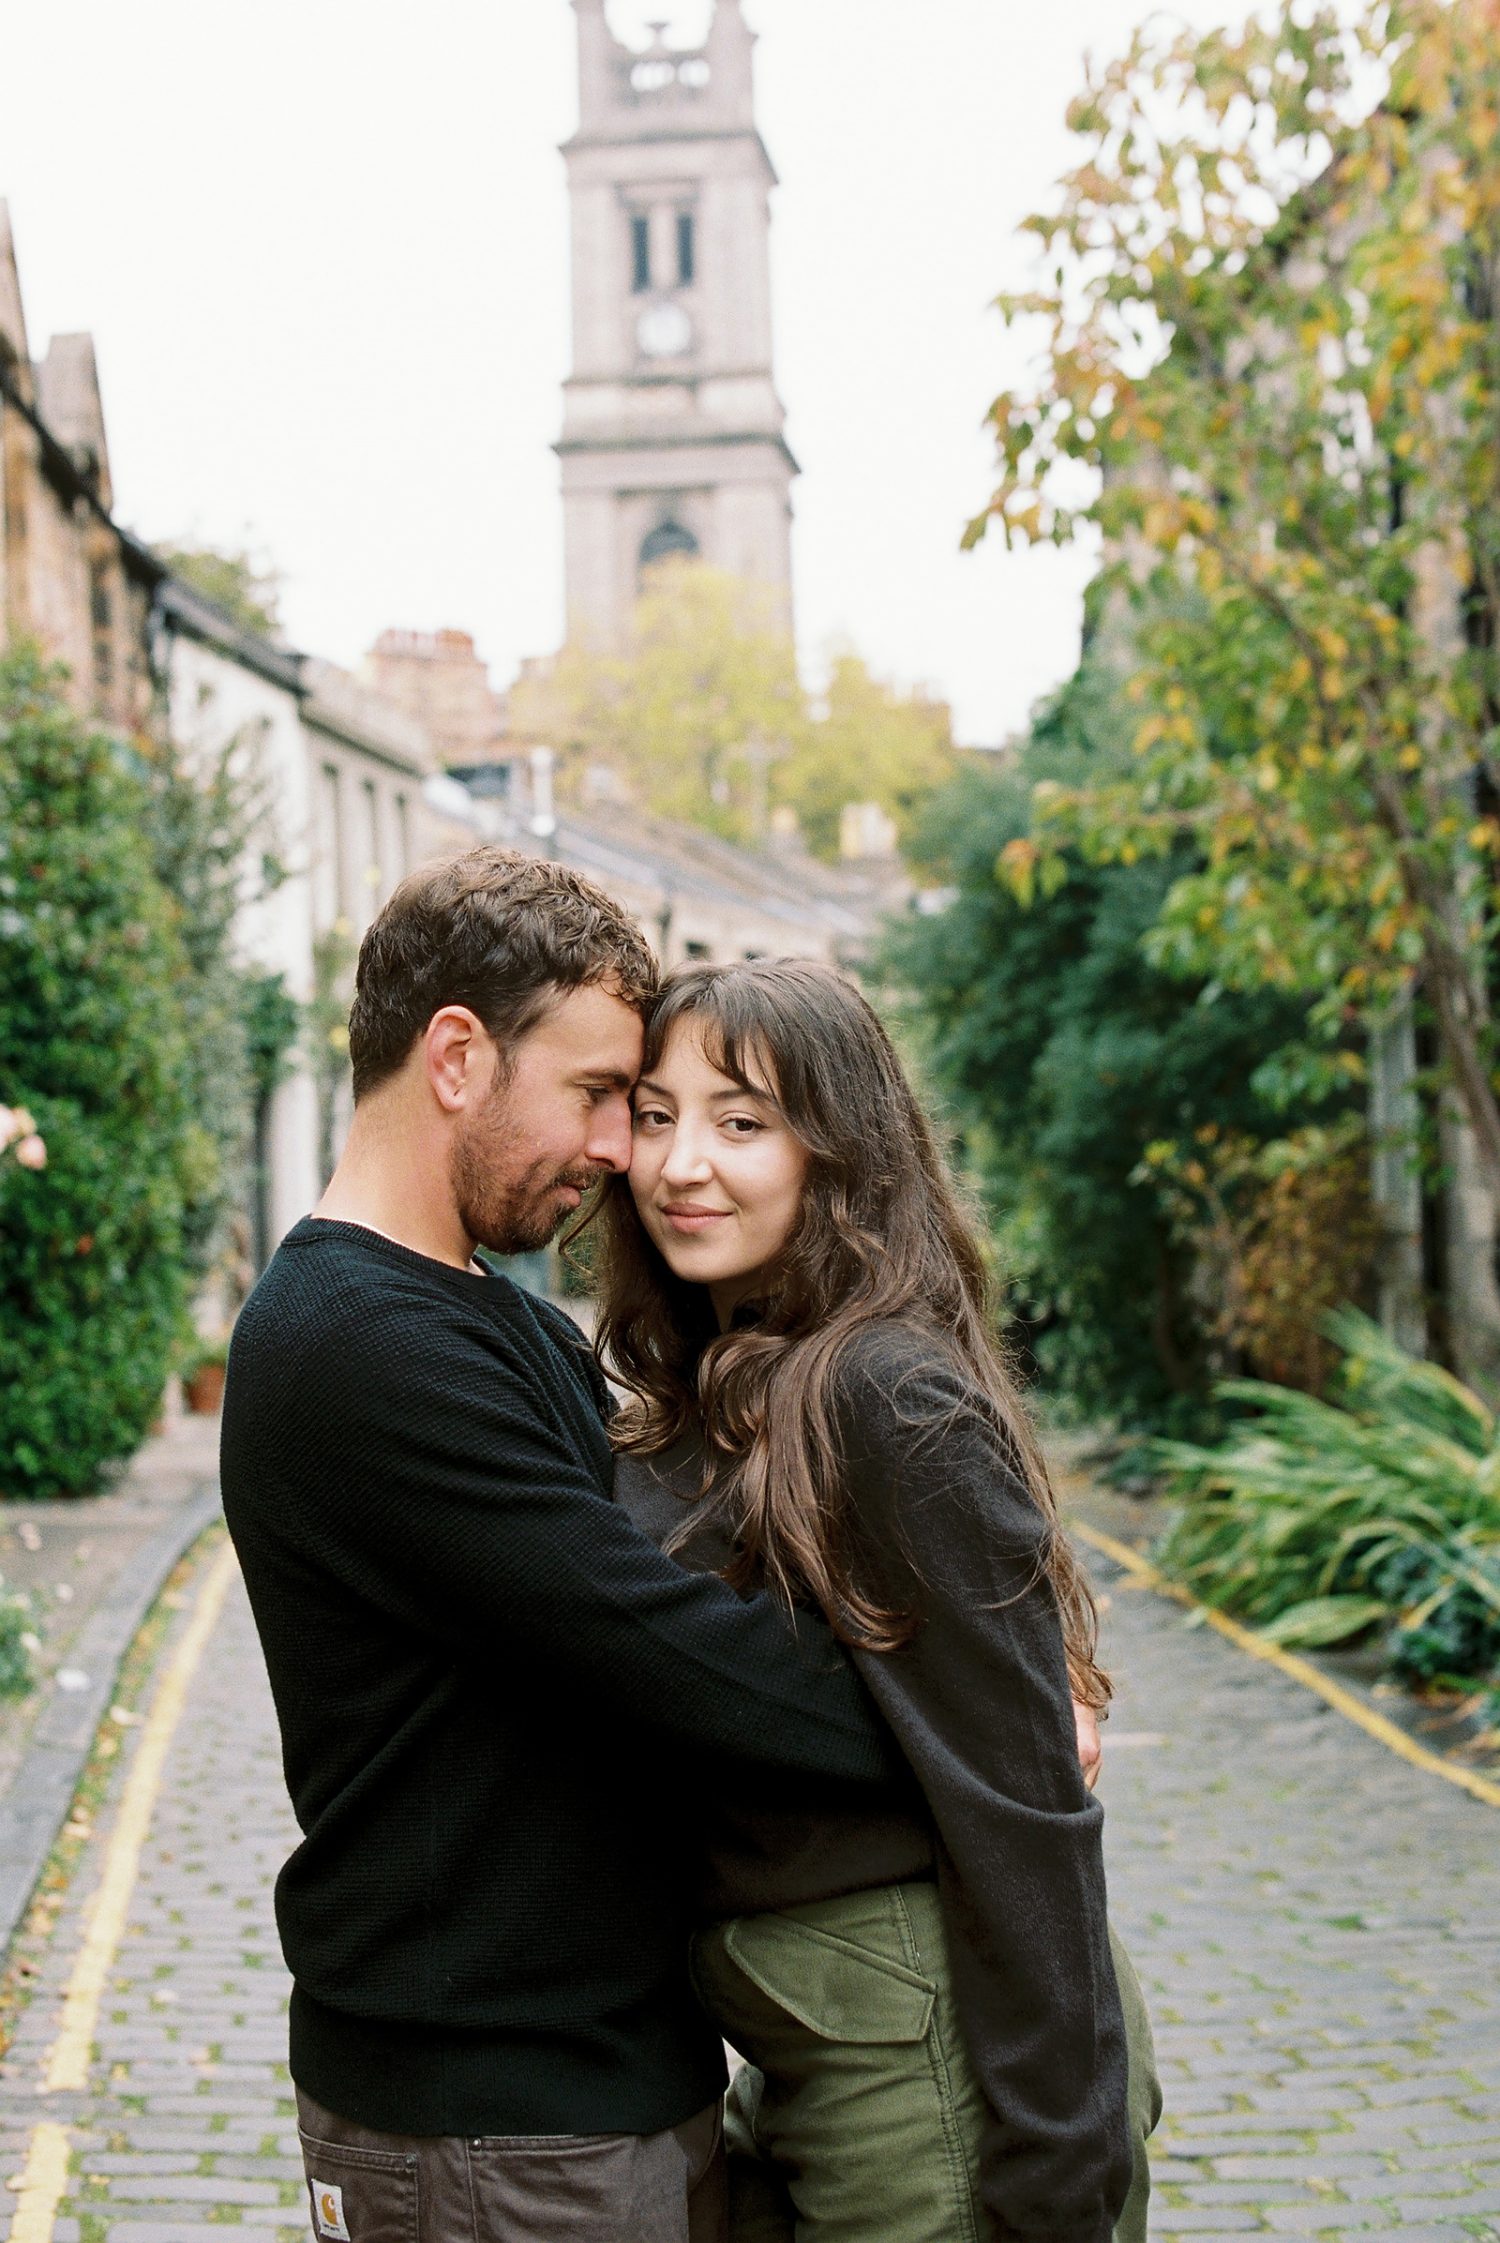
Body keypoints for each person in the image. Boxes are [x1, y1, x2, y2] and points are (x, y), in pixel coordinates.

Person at [221, 851, 918, 2243]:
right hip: (485, 2114)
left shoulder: (510, 1323)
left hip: (592, 2087)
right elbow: (669, 1650)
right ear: (460, 1056)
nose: (622, 1150)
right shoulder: (359, 1348)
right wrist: (968, 1717)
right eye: (601, 1092)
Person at [598, 957, 1161, 2243]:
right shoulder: (711, 1386)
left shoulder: (884, 1395)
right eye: (653, 1112)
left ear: (836, 1152)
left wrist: (1056, 2178)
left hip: (939, 2066)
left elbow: (1025, 1807)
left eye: (742, 1121)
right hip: (802, 2051)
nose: (683, 1161)